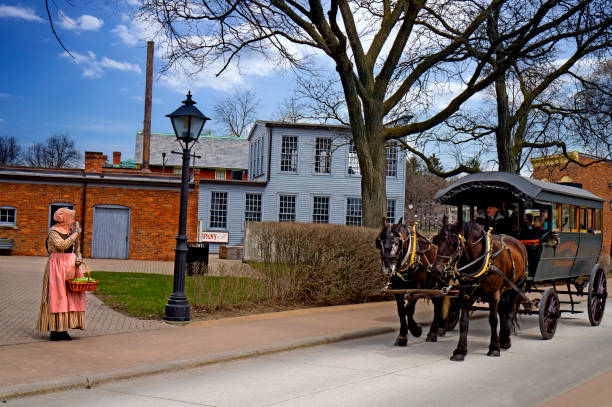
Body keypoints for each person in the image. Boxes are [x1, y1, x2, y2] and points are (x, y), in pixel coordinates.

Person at [36, 208, 86, 341]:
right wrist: (76, 234)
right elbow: (61, 245)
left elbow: (77, 249)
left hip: (70, 267)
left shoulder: (70, 232)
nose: (74, 220)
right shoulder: (54, 232)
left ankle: (64, 329)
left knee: (69, 298)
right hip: (57, 267)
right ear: (65, 218)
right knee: (57, 297)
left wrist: (79, 257)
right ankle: (55, 330)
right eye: (72, 218)